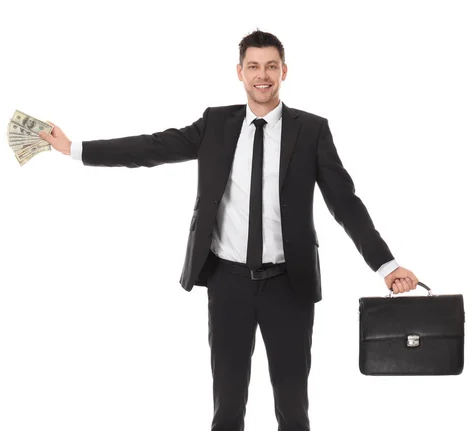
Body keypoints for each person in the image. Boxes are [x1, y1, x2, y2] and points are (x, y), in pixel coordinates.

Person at [40, 29, 419, 431]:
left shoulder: (311, 131)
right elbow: (151, 148)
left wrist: (387, 265)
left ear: (284, 71)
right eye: (253, 66)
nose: (263, 75)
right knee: (227, 408)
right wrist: (75, 148)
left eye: (271, 66)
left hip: (290, 284)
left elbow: (345, 203)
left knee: (293, 408)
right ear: (239, 72)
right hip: (228, 283)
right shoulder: (215, 124)